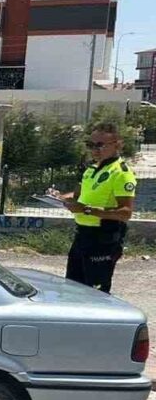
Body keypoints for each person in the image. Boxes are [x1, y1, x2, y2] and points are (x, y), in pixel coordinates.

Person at [50, 122, 136, 294]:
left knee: (96, 292)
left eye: (100, 145)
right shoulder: (91, 169)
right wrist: (58, 197)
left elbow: (125, 213)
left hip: (103, 238)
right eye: (91, 145)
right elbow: (78, 196)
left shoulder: (121, 173)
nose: (94, 150)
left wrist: (87, 210)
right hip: (82, 234)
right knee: (73, 287)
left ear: (117, 145)